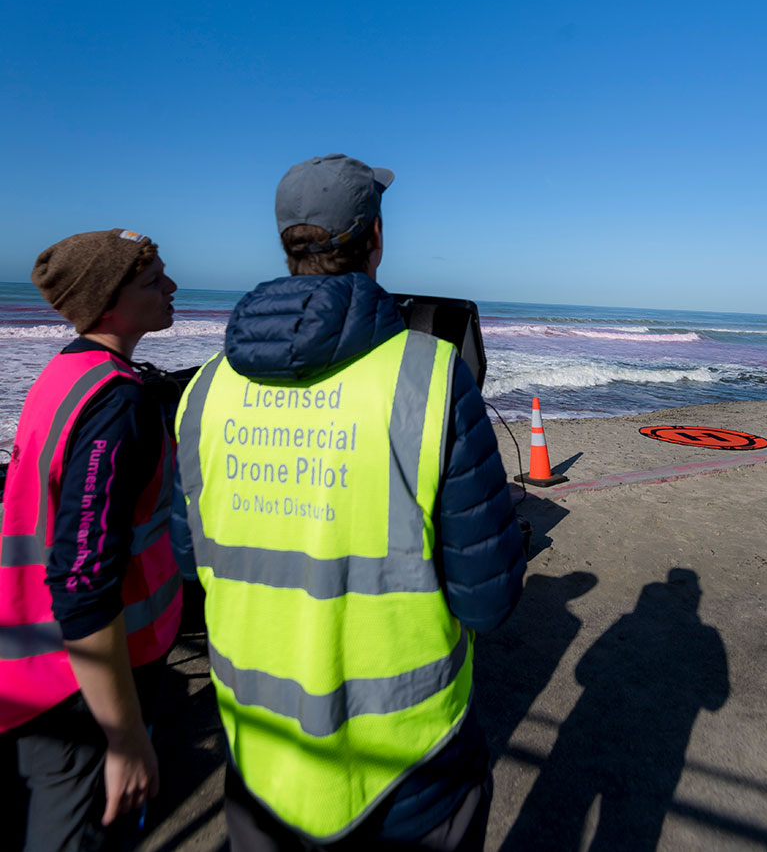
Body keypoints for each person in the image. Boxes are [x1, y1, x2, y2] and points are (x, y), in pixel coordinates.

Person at [174, 154, 526, 850]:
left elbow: (192, 562)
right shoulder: (429, 380)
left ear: (288, 244)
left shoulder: (203, 393)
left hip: (263, 755)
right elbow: (488, 598)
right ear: (376, 238)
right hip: (411, 763)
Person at [0, 229, 185, 852]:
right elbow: (83, 579)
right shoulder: (116, 403)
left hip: (35, 649)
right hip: (83, 678)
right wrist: (127, 738)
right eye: (152, 278)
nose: (171, 286)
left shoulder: (65, 372)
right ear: (107, 302)